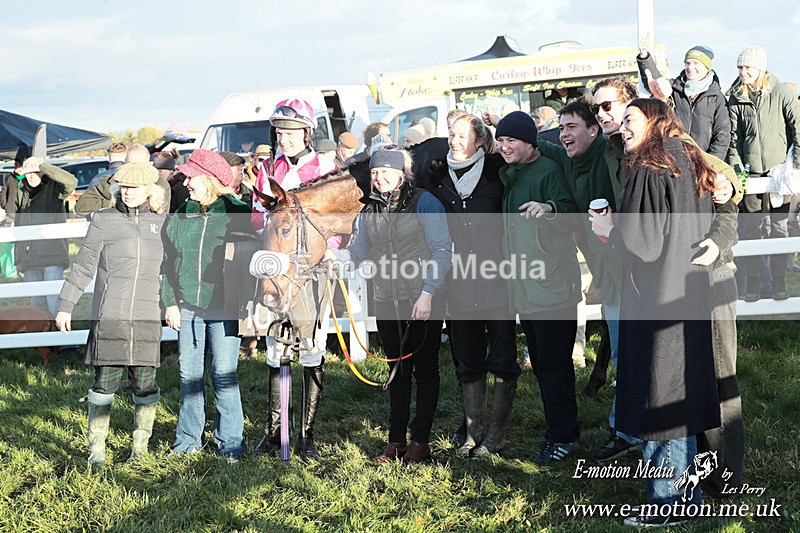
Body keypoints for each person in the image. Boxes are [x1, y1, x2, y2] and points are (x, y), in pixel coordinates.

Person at [590, 98, 721, 527]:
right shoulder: (688, 159)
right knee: (680, 389)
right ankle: (690, 494)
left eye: (630, 120)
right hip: (689, 293)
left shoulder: (651, 168)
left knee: (661, 392)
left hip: (658, 296)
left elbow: (645, 244)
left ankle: (668, 501)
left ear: (655, 121)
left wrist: (610, 230)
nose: (622, 128)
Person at [327, 148, 452, 464]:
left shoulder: (425, 202)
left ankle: (421, 441)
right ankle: (395, 441)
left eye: (385, 172)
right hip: (385, 299)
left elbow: (442, 251)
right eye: (374, 172)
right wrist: (336, 261)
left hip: (420, 299)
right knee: (396, 370)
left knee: (425, 370)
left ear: (401, 174)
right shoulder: (368, 211)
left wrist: (428, 294)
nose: (378, 177)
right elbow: (356, 253)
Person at [55, 162, 167, 467]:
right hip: (112, 314)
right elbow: (84, 264)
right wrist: (66, 304)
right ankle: (97, 451)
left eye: (135, 188)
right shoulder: (103, 220)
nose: (128, 193)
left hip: (146, 316)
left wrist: (171, 305)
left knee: (145, 385)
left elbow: (172, 268)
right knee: (105, 384)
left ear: (149, 190)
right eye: (124, 187)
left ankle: (139, 449)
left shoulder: (162, 222)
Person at [250, 98, 336, 460]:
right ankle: (274, 433)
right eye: (279, 132)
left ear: (306, 132)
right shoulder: (268, 168)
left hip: (312, 272)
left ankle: (306, 435)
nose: (283, 138)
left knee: (311, 349)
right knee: (275, 350)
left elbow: (339, 219)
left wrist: (329, 245)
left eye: (290, 131)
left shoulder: (327, 166)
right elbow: (256, 217)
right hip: (276, 269)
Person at [428, 114, 518, 458]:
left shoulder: (498, 170)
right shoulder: (437, 176)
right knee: (467, 359)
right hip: (459, 282)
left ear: (479, 141)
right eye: (451, 135)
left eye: (461, 135)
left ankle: (496, 436)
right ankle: (472, 431)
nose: (453, 141)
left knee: (503, 357)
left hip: (498, 278)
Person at [496, 111, 582, 465]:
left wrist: (548, 208)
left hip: (552, 286)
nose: (504, 147)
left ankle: (565, 437)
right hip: (527, 287)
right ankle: (557, 431)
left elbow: (571, 211)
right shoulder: (512, 173)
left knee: (554, 365)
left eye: (510, 140)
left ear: (530, 142)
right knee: (545, 364)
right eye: (500, 140)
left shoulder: (546, 170)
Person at [162, 149, 253, 460]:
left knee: (223, 374)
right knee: (189, 374)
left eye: (191, 177)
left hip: (225, 306)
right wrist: (170, 303)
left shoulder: (238, 214)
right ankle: (187, 441)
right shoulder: (180, 216)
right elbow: (167, 262)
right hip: (188, 307)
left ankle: (230, 443)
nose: (186, 183)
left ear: (211, 180)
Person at [727, 45, 800, 301]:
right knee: (749, 229)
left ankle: (780, 284)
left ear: (760, 68)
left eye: (747, 67)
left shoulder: (781, 91)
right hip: (750, 172)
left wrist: (797, 163)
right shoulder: (736, 97)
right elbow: (732, 138)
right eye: (739, 67)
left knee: (779, 228)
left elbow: (797, 125)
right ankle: (755, 285)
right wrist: (738, 169)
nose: (742, 71)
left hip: (780, 170)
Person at [637, 44, 730, 160]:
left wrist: (710, 165)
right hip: (675, 161)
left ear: (707, 67)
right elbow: (655, 82)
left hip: (704, 163)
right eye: (687, 63)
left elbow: (722, 136)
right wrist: (644, 57)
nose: (690, 67)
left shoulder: (717, 98)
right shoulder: (673, 89)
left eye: (696, 63)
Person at [13, 157, 77, 316]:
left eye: (36, 171)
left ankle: (62, 340)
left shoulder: (54, 189)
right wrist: (19, 260)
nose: (32, 175)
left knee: (54, 303)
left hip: (52, 257)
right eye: (28, 171)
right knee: (37, 308)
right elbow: (19, 226)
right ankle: (44, 340)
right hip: (29, 260)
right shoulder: (21, 192)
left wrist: (44, 166)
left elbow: (71, 182)